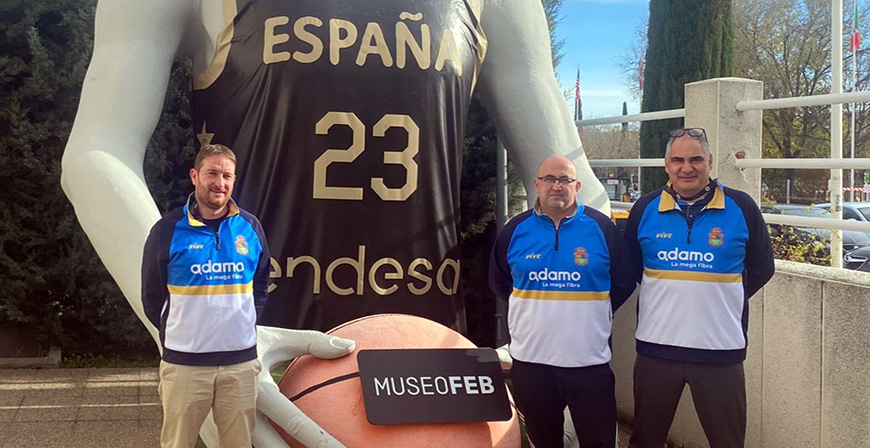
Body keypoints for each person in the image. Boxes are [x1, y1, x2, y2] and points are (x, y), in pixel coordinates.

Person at [61, 0, 610, 446]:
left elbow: (575, 176)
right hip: (264, 354)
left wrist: (555, 343)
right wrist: (197, 342)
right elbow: (97, 155)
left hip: (428, 361)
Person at [624, 128, 775, 448]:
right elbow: (633, 266)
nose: (686, 167)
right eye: (677, 160)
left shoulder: (741, 207)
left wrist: (720, 296)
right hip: (656, 350)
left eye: (695, 159)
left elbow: (763, 266)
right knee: (645, 440)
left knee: (727, 442)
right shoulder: (645, 208)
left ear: (709, 161)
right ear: (666, 165)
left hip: (720, 351)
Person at [489, 156, 636, 448]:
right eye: (550, 179)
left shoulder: (601, 228)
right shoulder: (515, 230)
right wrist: (537, 308)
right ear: (537, 184)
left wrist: (593, 313)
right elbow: (500, 281)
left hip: (589, 364)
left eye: (565, 180)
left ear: (577, 185)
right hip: (532, 365)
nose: (557, 186)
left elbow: (623, 283)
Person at [142, 144, 269, 447]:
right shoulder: (167, 230)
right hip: (185, 366)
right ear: (195, 176)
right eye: (212, 173)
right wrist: (182, 333)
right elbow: (152, 295)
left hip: (240, 365)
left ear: (234, 181)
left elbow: (261, 283)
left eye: (227, 175)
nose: (220, 183)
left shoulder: (250, 227)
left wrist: (241, 325)